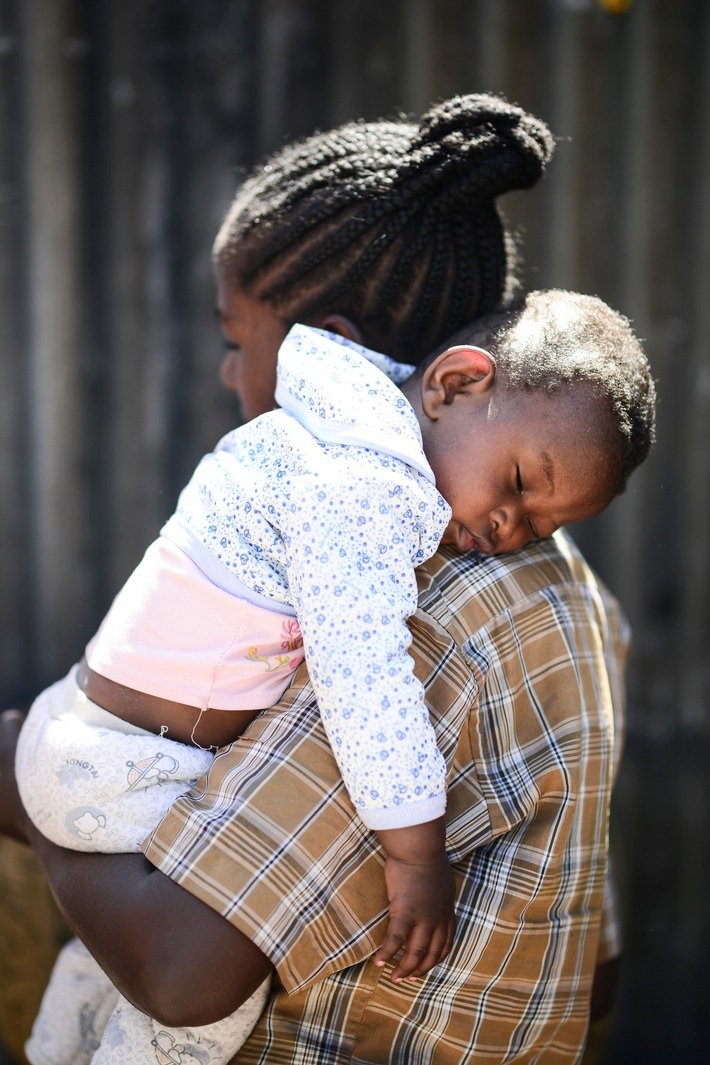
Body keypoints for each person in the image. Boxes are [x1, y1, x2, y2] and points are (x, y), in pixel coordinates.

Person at [0, 92, 634, 1063]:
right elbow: (594, 968)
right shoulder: (568, 593)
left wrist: (33, 793)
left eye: (235, 340)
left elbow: (180, 974)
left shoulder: (412, 590)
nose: (231, 376)